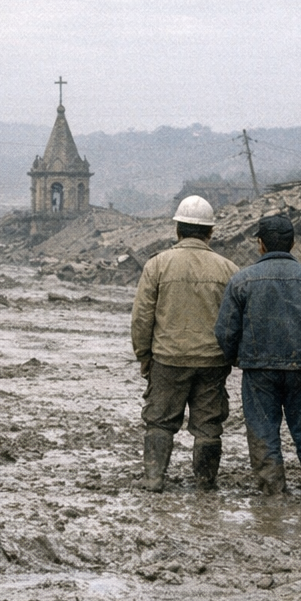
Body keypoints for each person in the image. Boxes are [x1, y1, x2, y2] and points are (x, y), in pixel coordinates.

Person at [215, 215, 301, 497]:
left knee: (263, 432)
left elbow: (225, 331)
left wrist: (239, 358)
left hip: (258, 370)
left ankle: (272, 495)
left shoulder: (241, 281)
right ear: (293, 243)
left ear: (260, 244)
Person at [130, 195, 241, 492]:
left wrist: (144, 356)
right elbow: (236, 321)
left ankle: (154, 478)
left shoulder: (157, 266)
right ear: (210, 232)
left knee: (159, 421)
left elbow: (142, 317)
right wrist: (230, 357)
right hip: (213, 361)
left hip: (168, 359)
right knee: (209, 425)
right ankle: (205, 483)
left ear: (177, 230)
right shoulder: (228, 269)